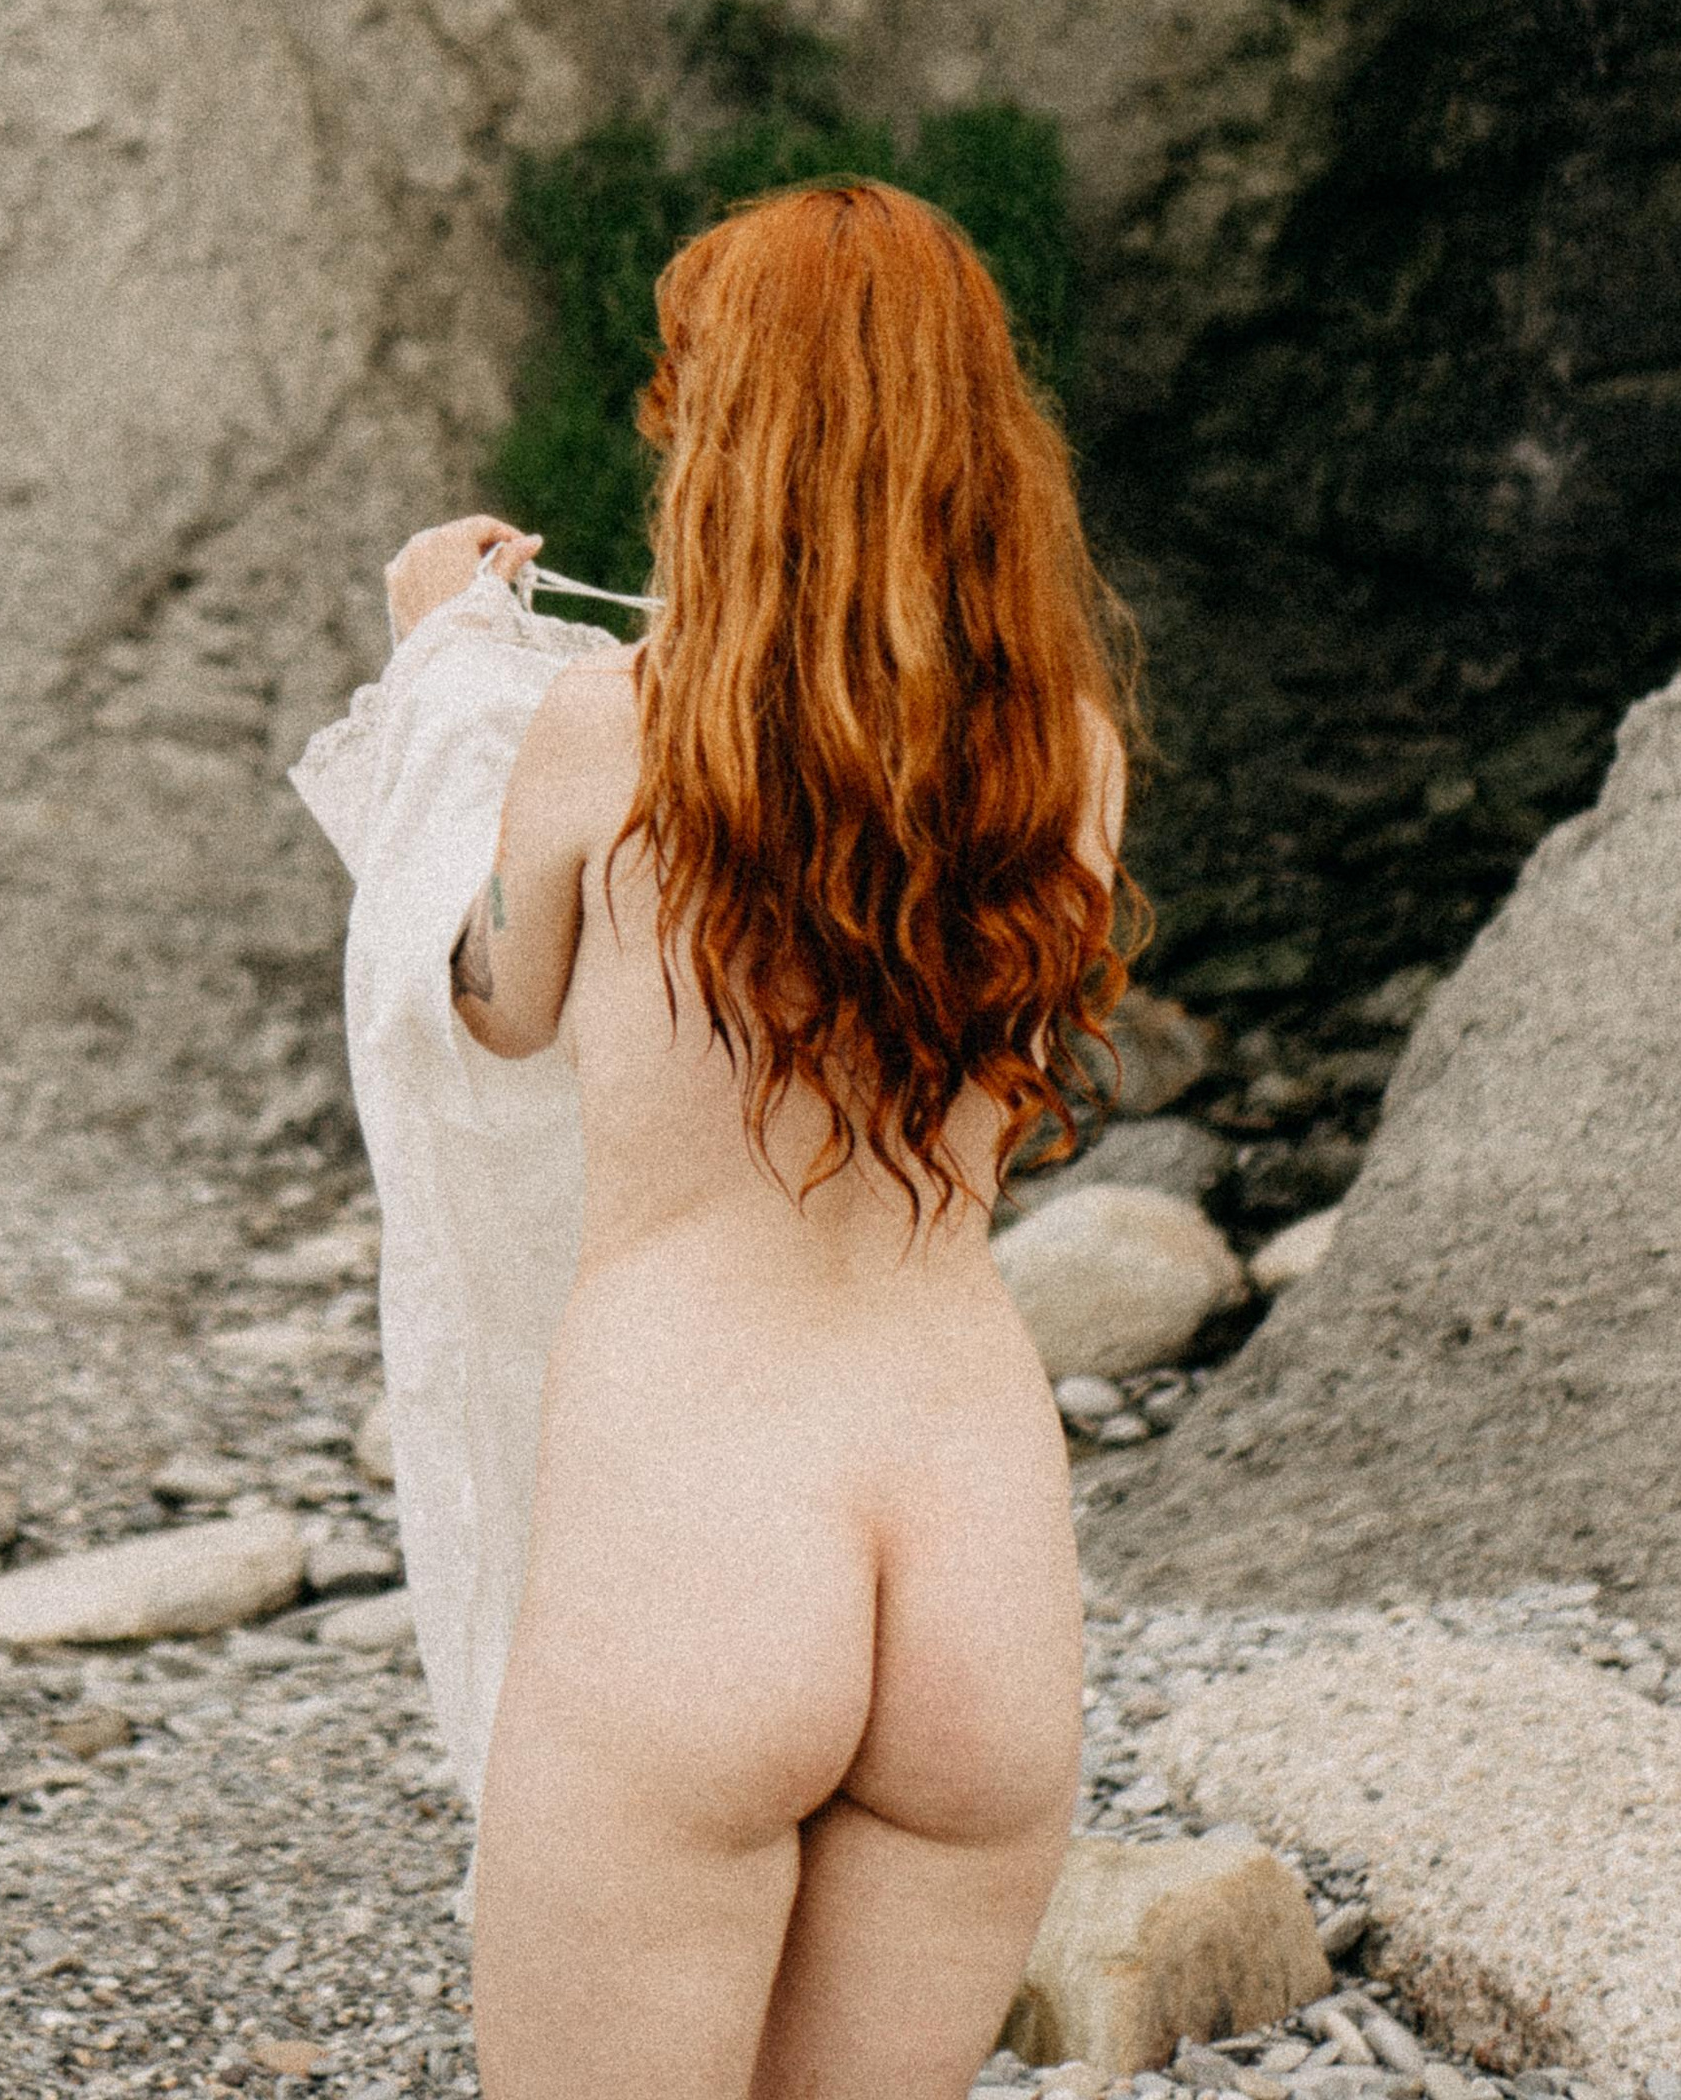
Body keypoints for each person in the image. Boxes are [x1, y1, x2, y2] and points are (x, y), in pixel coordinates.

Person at [375, 180, 1139, 2100]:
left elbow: (486, 1004)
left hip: (694, 1521)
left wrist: (431, 677)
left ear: (728, 440)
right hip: (972, 1535)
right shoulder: (1066, 748)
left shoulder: (602, 732)